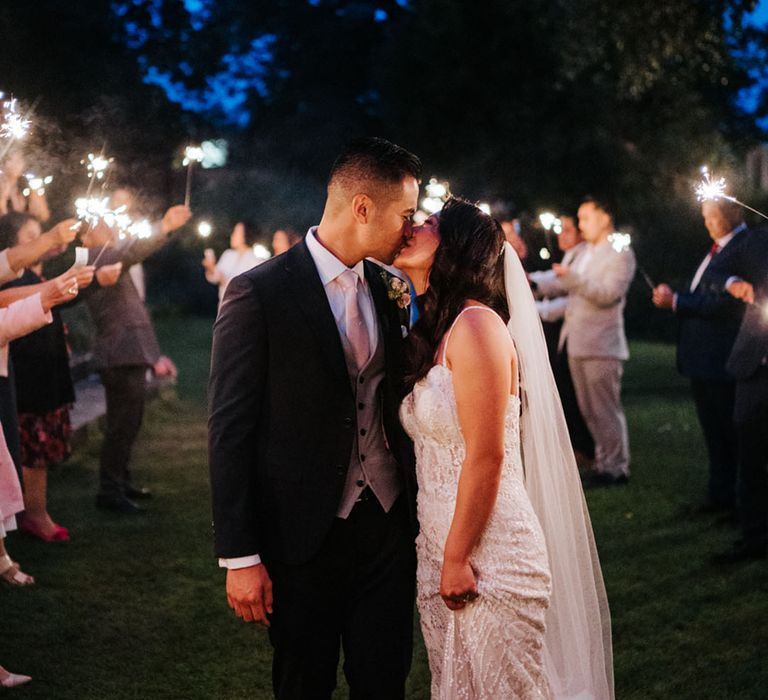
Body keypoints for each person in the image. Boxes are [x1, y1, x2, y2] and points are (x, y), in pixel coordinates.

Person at [209, 137, 420, 699]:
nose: (411, 228)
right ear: (361, 208)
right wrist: (240, 555)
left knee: (385, 682)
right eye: (406, 214)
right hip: (300, 537)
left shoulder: (392, 288)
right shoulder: (258, 292)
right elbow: (230, 430)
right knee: (303, 684)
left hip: (388, 528)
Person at [395, 199, 613, 698]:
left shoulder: (477, 327)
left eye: (428, 224)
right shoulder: (441, 328)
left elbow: (487, 455)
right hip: (441, 546)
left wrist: (456, 557)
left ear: (453, 247)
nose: (414, 228)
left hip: (487, 553)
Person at [0, 212, 121, 541]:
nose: (36, 241)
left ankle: (29, 517)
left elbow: (67, 291)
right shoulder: (15, 277)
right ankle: (31, 515)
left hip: (48, 367)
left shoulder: (40, 270)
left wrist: (87, 278)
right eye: (29, 235)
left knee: (36, 449)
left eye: (39, 234)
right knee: (27, 449)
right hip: (26, 371)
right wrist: (52, 288)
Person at [81, 204, 191, 514]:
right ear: (88, 236)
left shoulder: (109, 256)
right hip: (119, 354)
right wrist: (164, 227)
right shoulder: (96, 258)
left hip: (131, 352)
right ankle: (110, 491)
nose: (112, 229)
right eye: (105, 225)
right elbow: (133, 251)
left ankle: (121, 481)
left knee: (129, 423)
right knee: (121, 426)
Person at [652, 200, 748, 515]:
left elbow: (726, 303)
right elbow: (701, 287)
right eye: (705, 216)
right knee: (713, 432)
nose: (707, 222)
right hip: (702, 358)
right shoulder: (716, 250)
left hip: (722, 355)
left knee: (729, 432)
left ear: (733, 214)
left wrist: (677, 301)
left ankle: (737, 500)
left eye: (712, 216)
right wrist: (675, 291)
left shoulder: (743, 248)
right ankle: (719, 495)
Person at [551, 197, 636, 486]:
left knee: (605, 410)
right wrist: (534, 282)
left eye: (586, 218)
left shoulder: (620, 253)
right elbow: (561, 281)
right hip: (578, 342)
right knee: (588, 410)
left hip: (602, 345)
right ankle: (602, 463)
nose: (582, 224)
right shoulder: (585, 251)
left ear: (604, 217)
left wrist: (572, 279)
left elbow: (607, 294)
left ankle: (617, 467)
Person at [711, 228, 768, 562]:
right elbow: (717, 269)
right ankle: (754, 537)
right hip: (755, 366)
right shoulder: (758, 239)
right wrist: (733, 282)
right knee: (750, 456)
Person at [529, 215, 594, 466]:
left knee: (577, 396)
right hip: (566, 332)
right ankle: (582, 447)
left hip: (576, 331)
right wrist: (533, 280)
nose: (560, 235)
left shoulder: (585, 256)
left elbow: (572, 298)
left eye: (567, 230)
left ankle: (588, 449)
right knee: (570, 393)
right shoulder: (572, 256)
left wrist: (532, 307)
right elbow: (554, 282)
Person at [202, 221, 262, 303]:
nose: (232, 236)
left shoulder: (256, 261)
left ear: (246, 235)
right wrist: (210, 268)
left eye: (236, 232)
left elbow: (242, 289)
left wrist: (220, 277)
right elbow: (216, 277)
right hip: (224, 308)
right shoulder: (228, 254)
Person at [0, 150, 50, 222]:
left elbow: (43, 215)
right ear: (4, 164)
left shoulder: (27, 186)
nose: (16, 165)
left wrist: (35, 195)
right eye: (11, 160)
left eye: (19, 161)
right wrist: (3, 198)